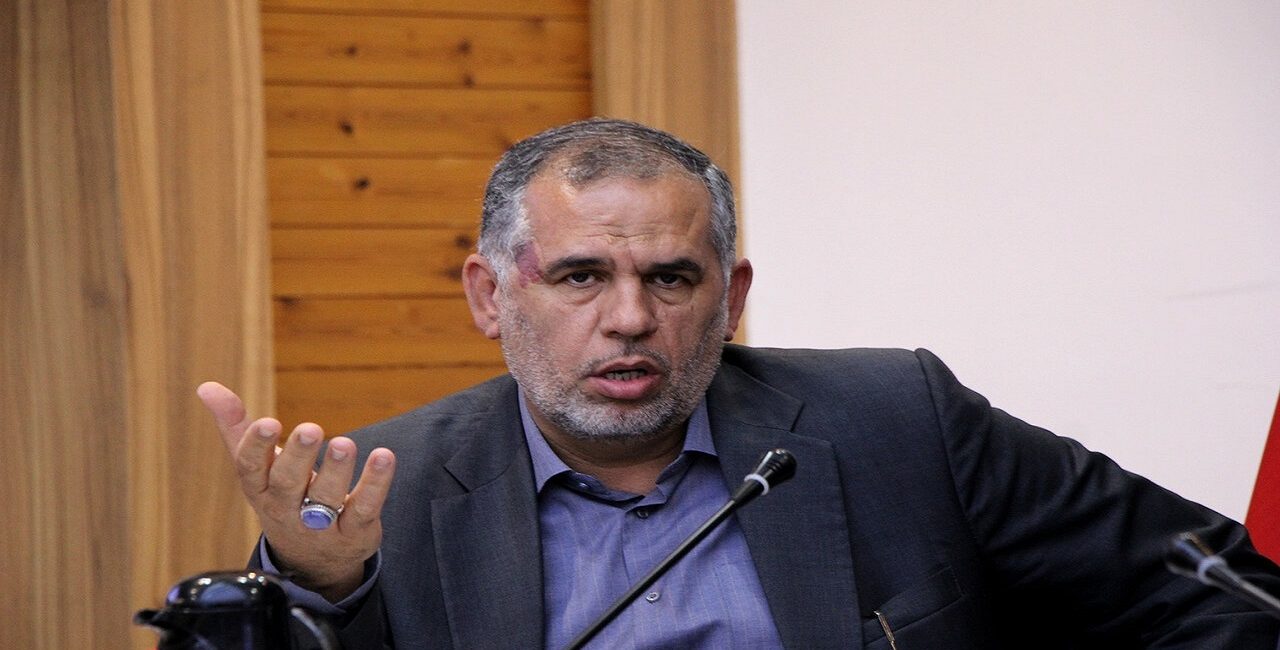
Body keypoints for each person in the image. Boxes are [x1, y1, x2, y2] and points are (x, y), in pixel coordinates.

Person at [199, 119, 1280, 649]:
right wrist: (316, 586)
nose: (631, 317)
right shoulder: (383, 495)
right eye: (580, 276)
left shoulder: (899, 421)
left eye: (672, 278)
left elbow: (1222, 591)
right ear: (490, 294)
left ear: (732, 295)